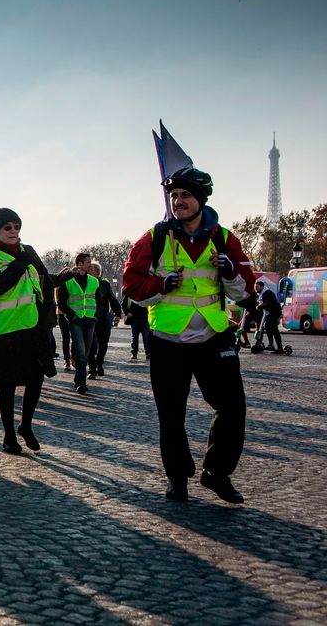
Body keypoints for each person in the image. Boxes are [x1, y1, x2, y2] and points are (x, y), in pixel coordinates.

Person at [122, 166, 254, 503]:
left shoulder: (225, 238)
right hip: (168, 338)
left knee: (233, 407)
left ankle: (217, 473)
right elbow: (132, 286)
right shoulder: (154, 237)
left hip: (214, 334)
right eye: (174, 196)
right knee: (171, 414)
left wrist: (231, 273)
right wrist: (160, 286)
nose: (178, 202)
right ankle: (177, 476)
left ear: (201, 200)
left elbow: (245, 291)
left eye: (185, 196)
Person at [0, 208, 56, 454]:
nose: (13, 231)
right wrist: (21, 262)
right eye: (7, 227)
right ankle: (9, 436)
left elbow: (43, 280)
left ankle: (26, 425)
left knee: (36, 379)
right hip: (4, 330)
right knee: (8, 386)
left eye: (16, 226)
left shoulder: (27, 251)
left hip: (32, 326)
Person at [56, 253, 97, 394]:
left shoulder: (94, 281)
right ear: (79, 263)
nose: (90, 264)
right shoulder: (68, 281)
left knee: (85, 353)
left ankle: (80, 381)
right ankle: (80, 383)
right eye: (87, 262)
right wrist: (71, 315)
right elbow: (61, 302)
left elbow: (99, 300)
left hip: (90, 320)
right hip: (76, 320)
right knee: (80, 352)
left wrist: (96, 315)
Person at [86, 262, 122, 378]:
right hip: (90, 317)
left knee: (103, 342)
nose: (88, 271)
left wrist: (117, 313)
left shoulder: (104, 284)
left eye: (91, 269)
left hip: (102, 317)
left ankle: (99, 362)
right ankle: (92, 368)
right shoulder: (84, 282)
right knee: (90, 344)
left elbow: (112, 299)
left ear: (97, 273)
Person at [256, 280, 283, 352]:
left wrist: (260, 306)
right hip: (269, 313)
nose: (256, 289)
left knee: (273, 329)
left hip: (274, 312)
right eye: (255, 287)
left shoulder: (268, 293)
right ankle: (271, 345)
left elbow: (269, 304)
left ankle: (279, 348)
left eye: (257, 287)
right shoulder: (261, 294)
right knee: (267, 326)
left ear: (262, 287)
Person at [121, 294, 150, 360]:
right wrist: (127, 313)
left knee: (146, 337)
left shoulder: (145, 290)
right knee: (136, 337)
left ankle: (148, 353)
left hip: (145, 318)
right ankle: (134, 353)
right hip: (135, 318)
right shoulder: (130, 292)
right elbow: (124, 304)